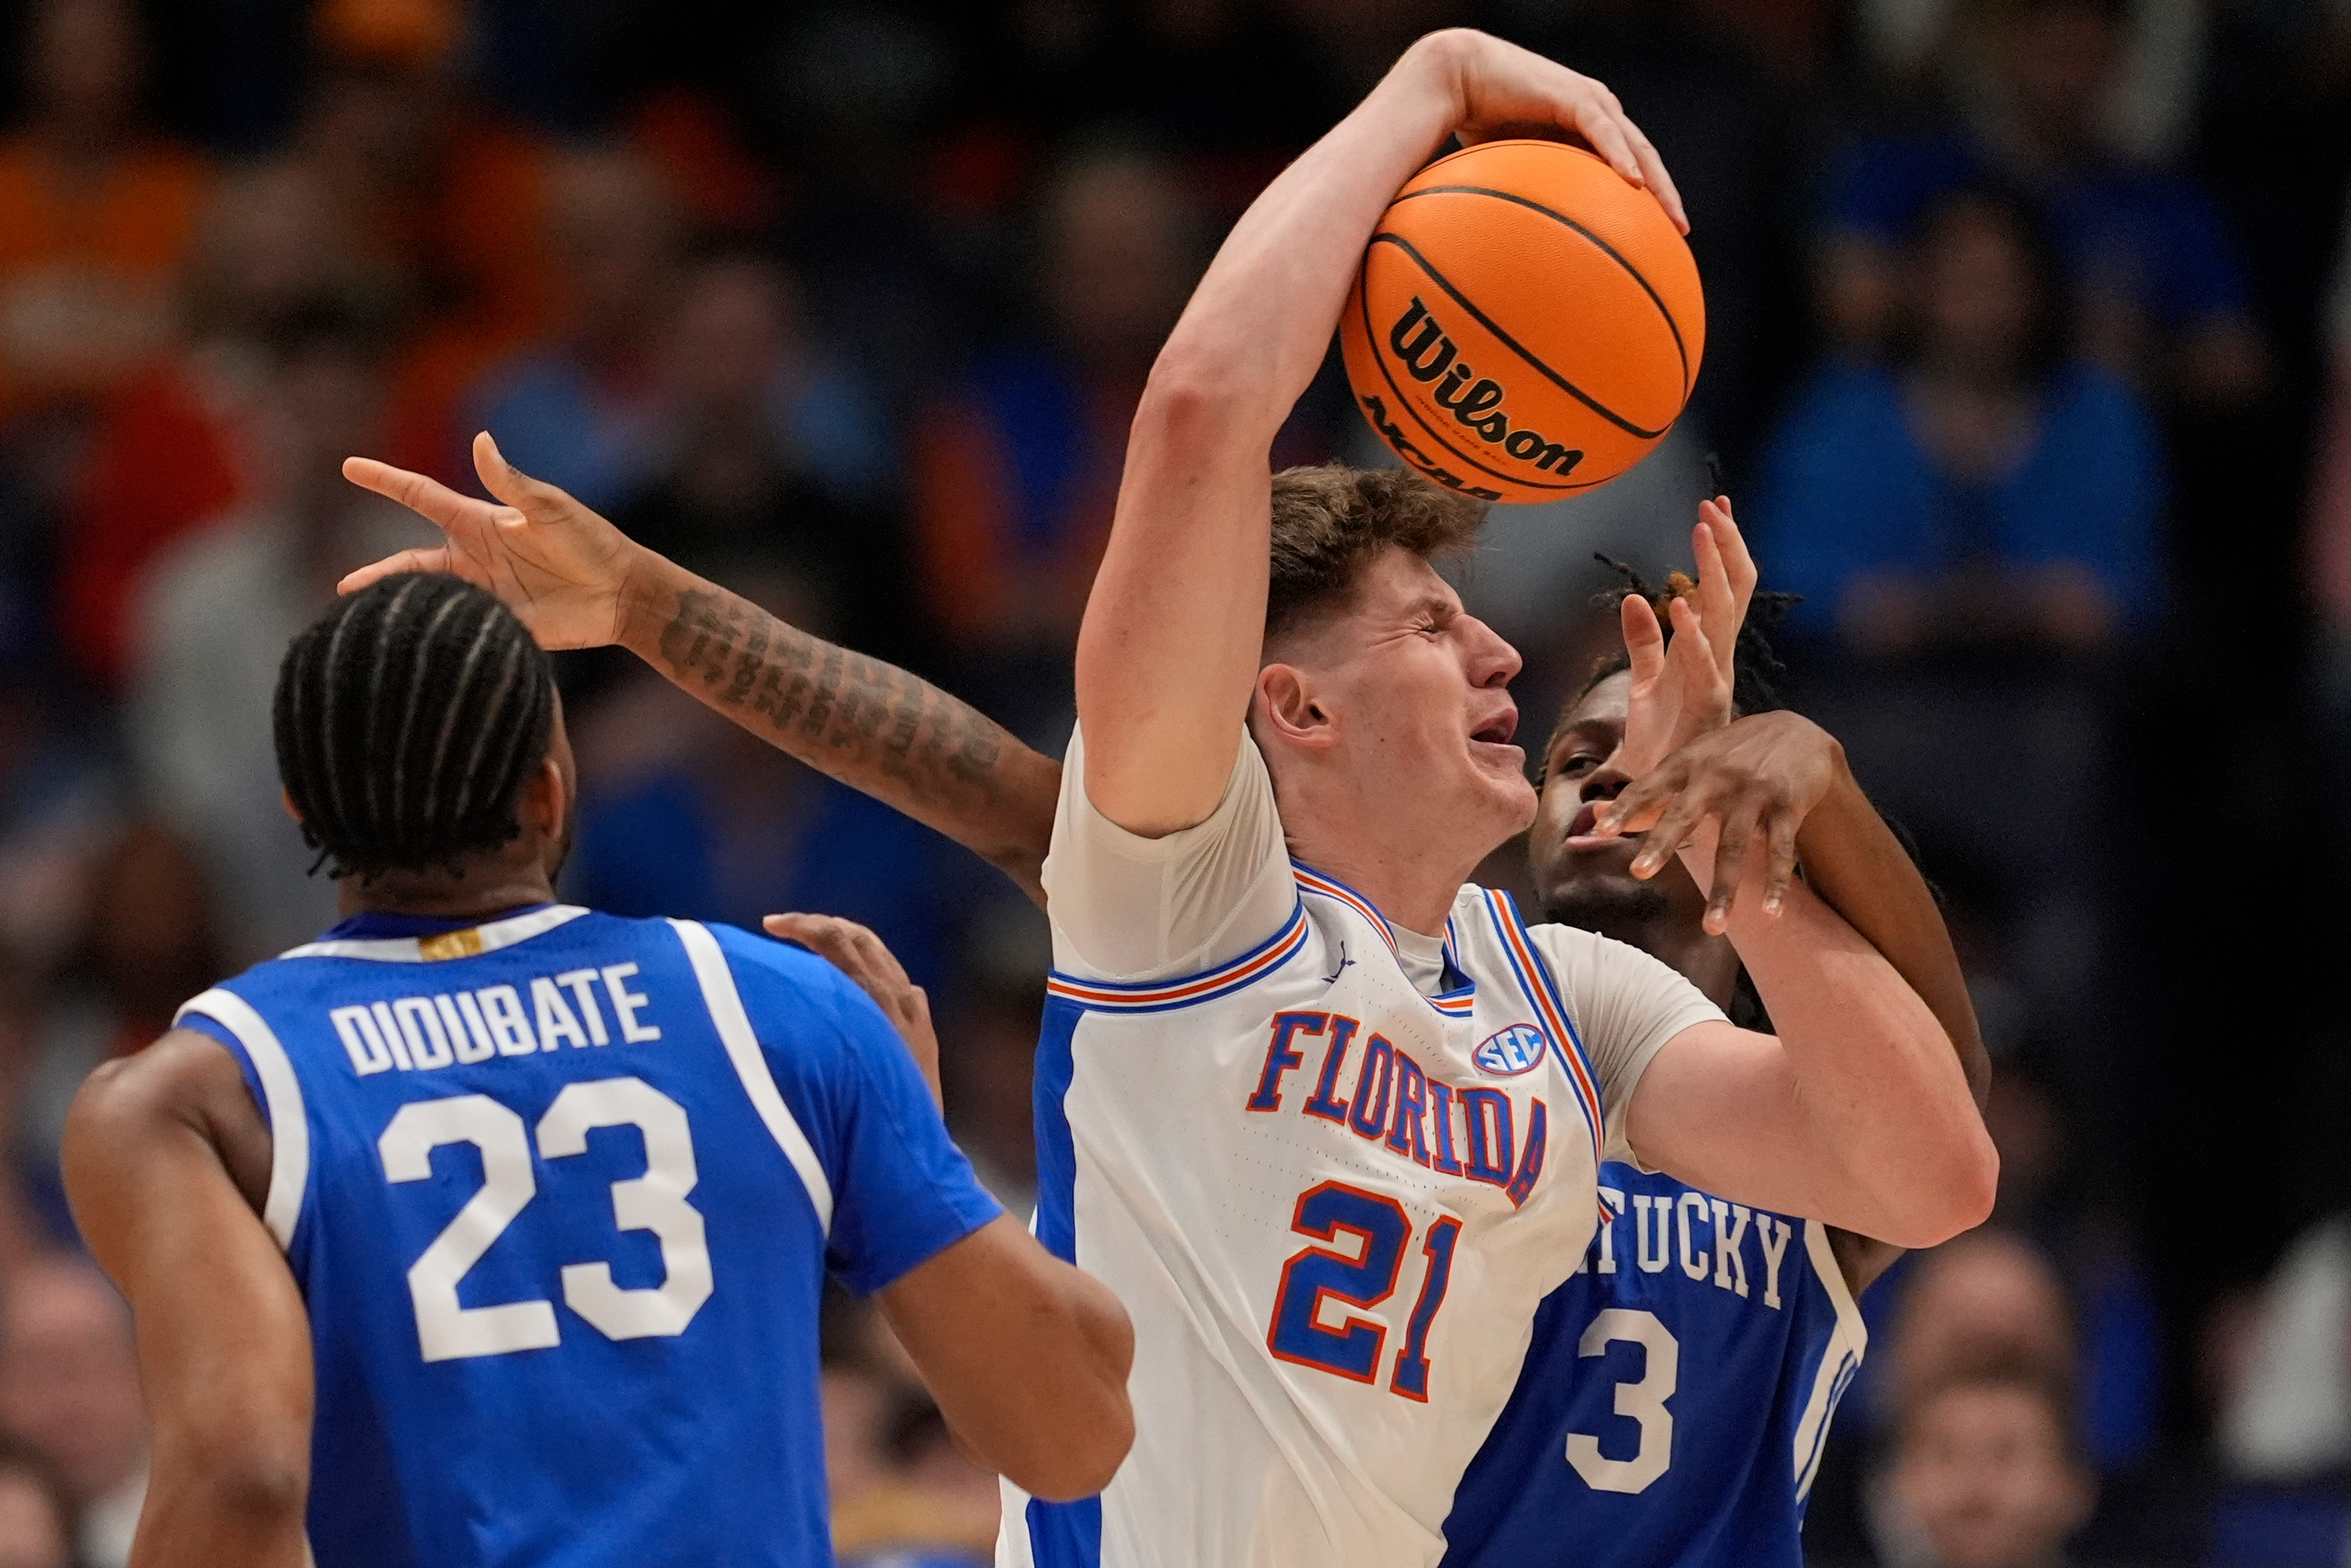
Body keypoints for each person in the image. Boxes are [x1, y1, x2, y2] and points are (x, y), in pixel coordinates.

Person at [347, 42, 1990, 1568]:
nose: (1499, 650)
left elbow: (1926, 1181)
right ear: (1292, 704)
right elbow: (1204, 407)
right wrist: (1431, 84)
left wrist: (1745, 855)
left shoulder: (1569, 997)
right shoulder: (1193, 895)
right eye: (1430, 626)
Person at [60, 574, 1133, 1567]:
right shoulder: (786, 1010)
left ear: (301, 804)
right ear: (549, 791)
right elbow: (1074, 1433)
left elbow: (241, 1477)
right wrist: (912, 1138)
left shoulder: (196, 1093)